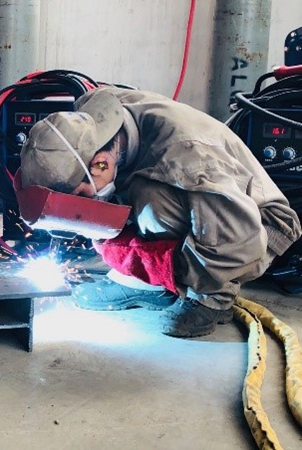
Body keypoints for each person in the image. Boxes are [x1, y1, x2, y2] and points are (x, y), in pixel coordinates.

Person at [19, 86, 302, 338]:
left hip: (254, 228)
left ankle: (212, 296)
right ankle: (143, 282)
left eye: (81, 191)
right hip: (211, 205)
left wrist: (160, 267)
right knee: (126, 197)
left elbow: (243, 243)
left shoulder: (186, 162)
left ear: (100, 164)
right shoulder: (95, 117)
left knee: (151, 202)